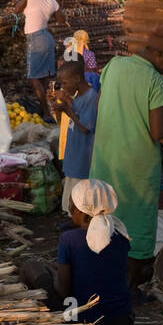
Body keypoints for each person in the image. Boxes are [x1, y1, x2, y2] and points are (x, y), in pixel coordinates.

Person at [90, 24, 163, 290]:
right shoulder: (156, 81)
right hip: (137, 165)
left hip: (106, 158)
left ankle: (103, 278)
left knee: (106, 218)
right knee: (136, 226)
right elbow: (157, 132)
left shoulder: (114, 66)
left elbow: (100, 106)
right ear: (161, 56)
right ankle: (128, 288)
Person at [56, 180, 134, 325]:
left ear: (76, 209)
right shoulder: (120, 234)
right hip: (122, 324)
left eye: (71, 205)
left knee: (34, 269)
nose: (70, 209)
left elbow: (63, 291)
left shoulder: (68, 239)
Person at [12, 0, 67, 120]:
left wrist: (19, 8)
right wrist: (54, 5)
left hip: (35, 39)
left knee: (33, 78)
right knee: (44, 78)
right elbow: (62, 20)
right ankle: (51, 110)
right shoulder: (52, 1)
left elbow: (17, 9)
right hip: (47, 38)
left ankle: (46, 112)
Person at [52, 60, 99, 212]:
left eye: (65, 83)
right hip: (74, 155)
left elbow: (85, 128)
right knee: (71, 197)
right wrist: (65, 105)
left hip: (83, 157)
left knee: (81, 199)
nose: (63, 87)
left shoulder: (91, 97)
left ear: (77, 79)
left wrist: (68, 110)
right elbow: (76, 114)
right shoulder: (79, 97)